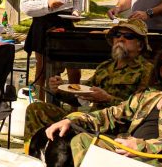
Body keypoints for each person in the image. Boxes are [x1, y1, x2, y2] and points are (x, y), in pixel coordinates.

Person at [43, 43, 162, 167]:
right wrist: (71, 120)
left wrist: (140, 146)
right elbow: (110, 115)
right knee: (69, 133)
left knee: (83, 141)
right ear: (160, 69)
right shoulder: (148, 96)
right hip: (129, 153)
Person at [23, 18, 154, 141]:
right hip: (89, 121)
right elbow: (80, 97)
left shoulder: (147, 71)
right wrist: (59, 89)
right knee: (36, 109)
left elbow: (144, 110)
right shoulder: (105, 67)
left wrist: (107, 99)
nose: (121, 39)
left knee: (73, 118)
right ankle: (34, 153)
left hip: (115, 126)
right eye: (117, 35)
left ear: (140, 45)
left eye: (129, 36)